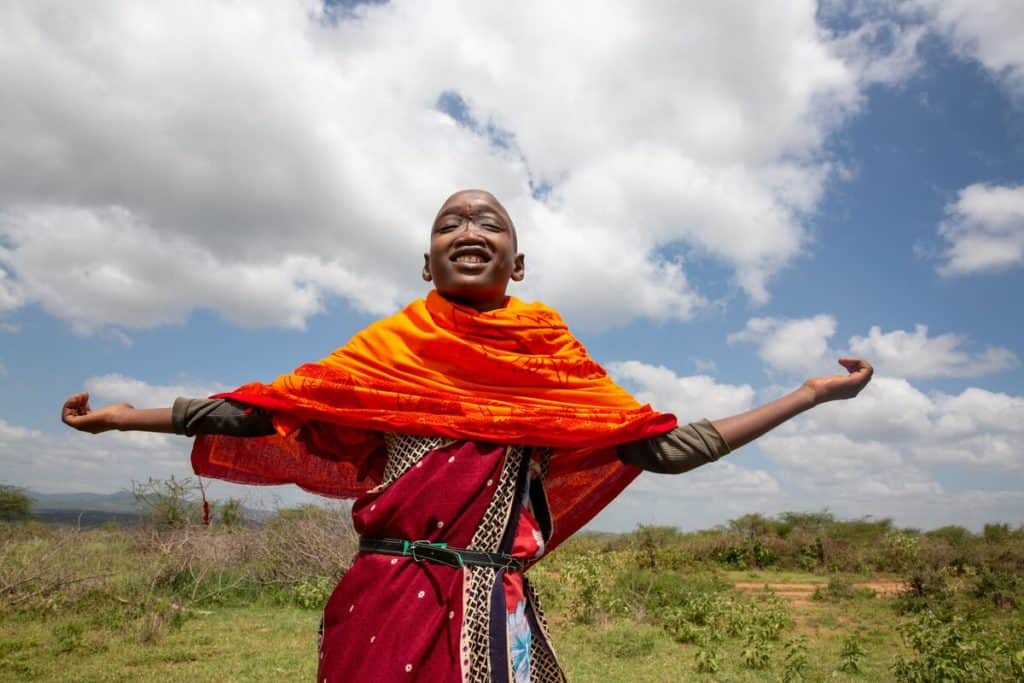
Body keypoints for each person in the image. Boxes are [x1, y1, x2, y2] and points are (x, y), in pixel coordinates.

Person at [62, 189, 872, 682]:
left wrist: (807, 393)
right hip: (380, 601)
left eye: (490, 221)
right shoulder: (386, 354)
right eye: (451, 221)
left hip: (494, 602)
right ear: (427, 259)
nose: (470, 227)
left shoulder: (552, 361)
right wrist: (125, 416)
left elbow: (665, 449)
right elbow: (261, 410)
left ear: (519, 263)